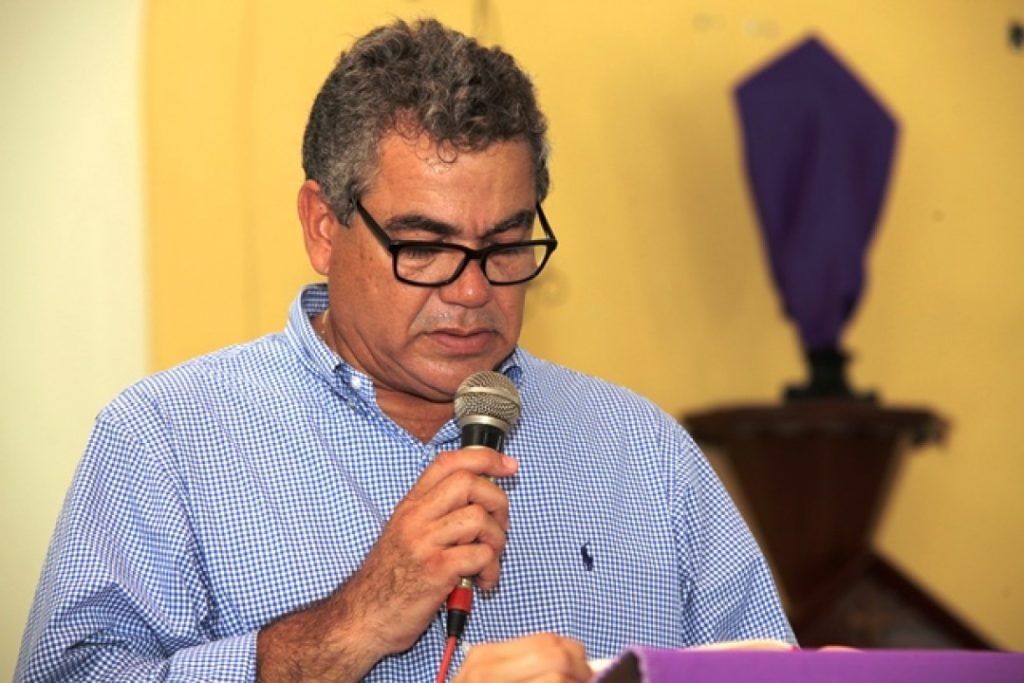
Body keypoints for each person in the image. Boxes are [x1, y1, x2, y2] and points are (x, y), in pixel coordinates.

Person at [17, 18, 793, 682]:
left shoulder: (644, 453)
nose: (472, 289)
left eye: (506, 244)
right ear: (323, 226)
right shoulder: (165, 441)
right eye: (424, 246)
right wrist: (351, 622)